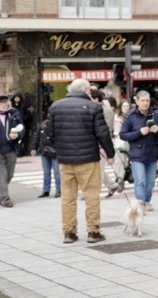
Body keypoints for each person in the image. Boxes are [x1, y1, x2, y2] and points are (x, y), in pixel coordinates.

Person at [48, 79, 115, 243]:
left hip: (65, 160)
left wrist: (58, 150)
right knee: (92, 196)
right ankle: (93, 232)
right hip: (88, 159)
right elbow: (103, 133)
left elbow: (49, 133)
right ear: (85, 89)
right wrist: (110, 153)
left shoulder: (56, 106)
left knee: (68, 197)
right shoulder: (94, 107)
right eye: (90, 89)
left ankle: (69, 232)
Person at [119, 90, 158, 212]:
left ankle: (147, 201)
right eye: (143, 101)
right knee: (140, 180)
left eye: (147, 100)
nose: (145, 103)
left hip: (153, 152)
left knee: (150, 182)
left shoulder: (157, 114)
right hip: (137, 153)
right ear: (137, 101)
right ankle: (140, 203)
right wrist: (139, 133)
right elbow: (123, 135)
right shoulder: (131, 116)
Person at [0, 94, 24, 207]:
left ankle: (1, 192)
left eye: (5, 102)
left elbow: (21, 127)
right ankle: (5, 199)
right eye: (1, 102)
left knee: (10, 174)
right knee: (2, 174)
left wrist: (17, 134)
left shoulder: (13, 114)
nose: (4, 104)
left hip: (11, 149)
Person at [31, 117, 59, 198]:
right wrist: (34, 147)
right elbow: (37, 136)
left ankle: (59, 190)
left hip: (55, 152)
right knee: (47, 172)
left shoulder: (58, 125)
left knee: (57, 173)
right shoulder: (43, 124)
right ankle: (46, 190)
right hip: (44, 152)